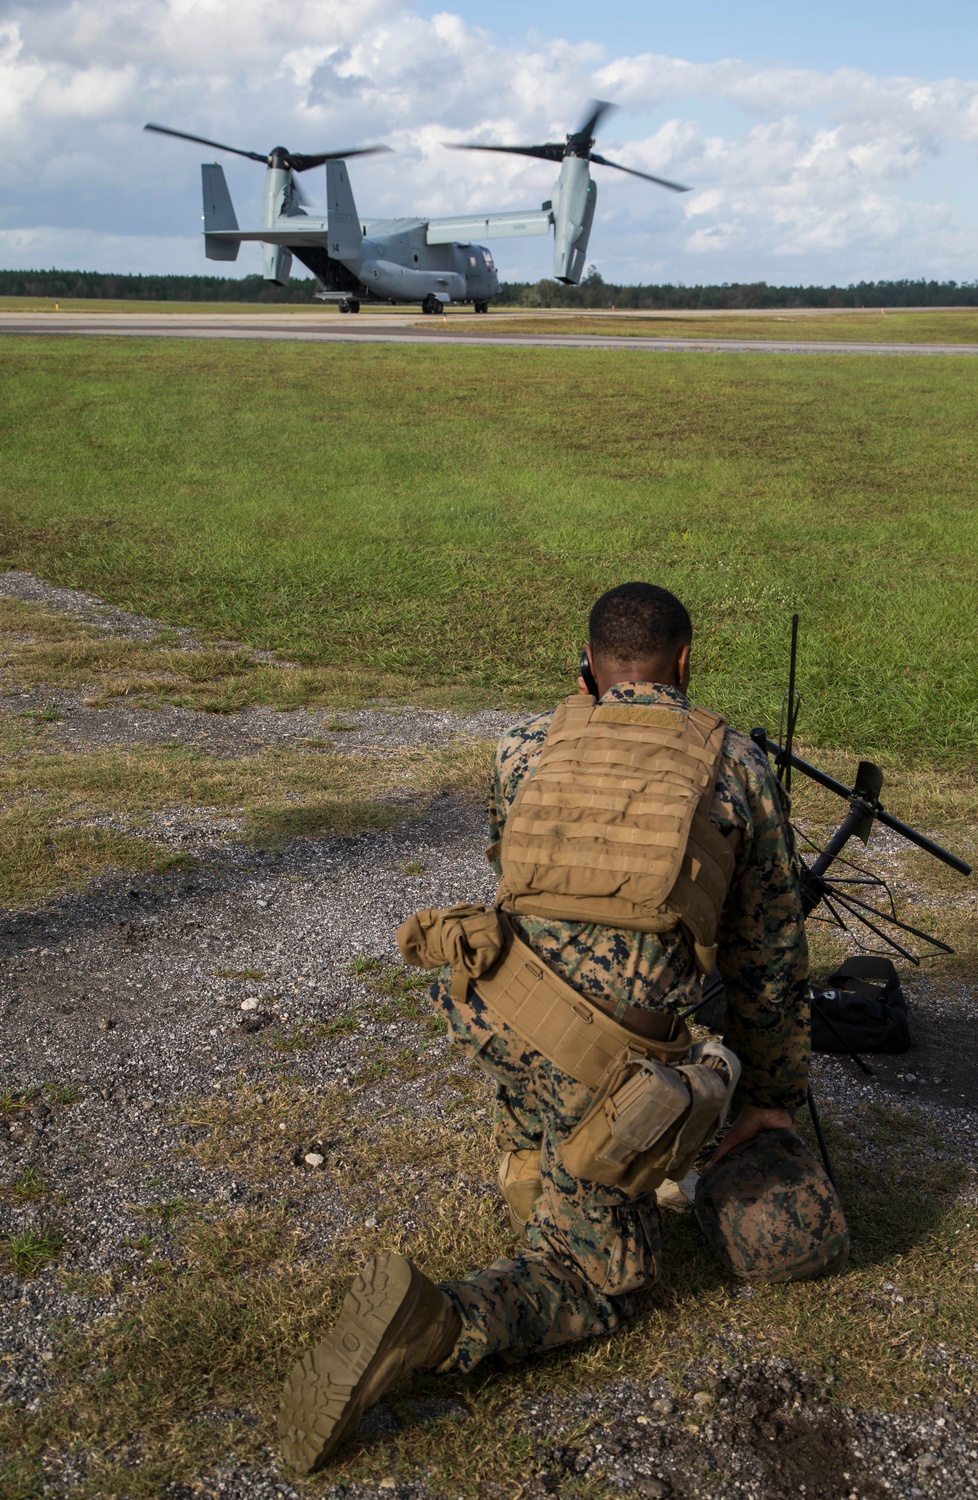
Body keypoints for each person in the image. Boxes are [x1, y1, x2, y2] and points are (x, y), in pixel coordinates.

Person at [278, 581, 844, 1476]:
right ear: (685, 662)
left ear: (588, 663)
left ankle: (534, 1156)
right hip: (606, 1071)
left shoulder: (523, 746)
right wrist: (769, 1098)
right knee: (603, 1281)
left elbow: (517, 883)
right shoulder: (735, 765)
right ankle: (436, 1325)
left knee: (559, 1022)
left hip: (496, 1015)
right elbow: (770, 960)